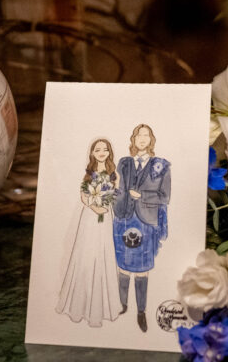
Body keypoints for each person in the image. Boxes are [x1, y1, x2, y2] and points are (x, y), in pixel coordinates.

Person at [55, 138, 122, 327]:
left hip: (105, 218)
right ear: (92, 153)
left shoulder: (113, 173)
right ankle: (79, 307)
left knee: (103, 255)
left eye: (105, 149)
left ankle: (102, 309)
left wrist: (104, 207)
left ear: (109, 152)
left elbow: (114, 194)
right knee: (85, 255)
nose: (101, 152)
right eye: (97, 149)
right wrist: (94, 207)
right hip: (89, 218)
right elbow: (84, 195)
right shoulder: (89, 173)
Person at [112, 124, 171, 333]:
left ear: (151, 140)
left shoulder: (161, 166)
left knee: (143, 269)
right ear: (133, 140)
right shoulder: (124, 163)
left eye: (146, 135)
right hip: (123, 218)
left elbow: (165, 197)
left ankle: (141, 311)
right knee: (123, 265)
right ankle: (122, 305)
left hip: (146, 221)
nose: (142, 139)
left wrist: (142, 196)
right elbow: (116, 189)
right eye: (139, 135)